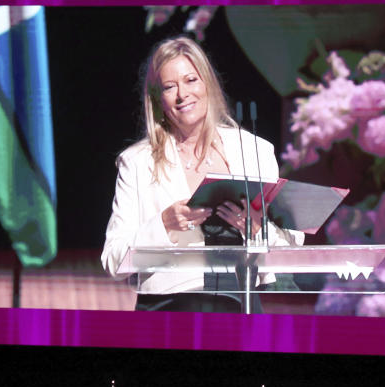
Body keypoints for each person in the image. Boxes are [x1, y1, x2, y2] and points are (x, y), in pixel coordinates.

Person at [101, 36, 303, 312]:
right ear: (158, 99)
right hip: (168, 307)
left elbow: (290, 249)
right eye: (170, 87)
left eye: (191, 80)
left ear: (208, 83)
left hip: (240, 304)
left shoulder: (255, 151)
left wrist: (258, 230)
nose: (183, 94)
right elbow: (113, 260)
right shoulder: (137, 162)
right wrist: (164, 225)